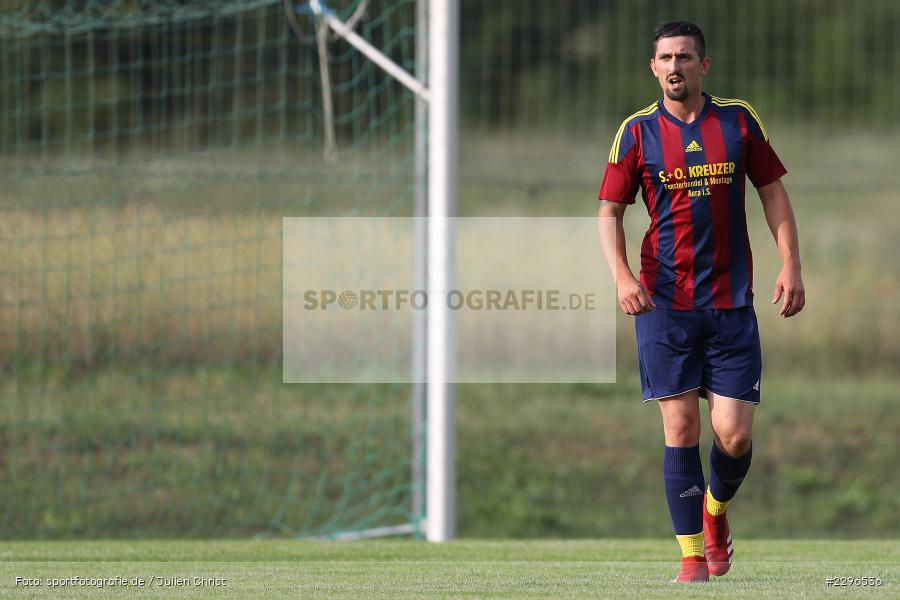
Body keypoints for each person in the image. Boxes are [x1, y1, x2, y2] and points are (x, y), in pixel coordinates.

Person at [597, 21, 805, 583]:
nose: (674, 66)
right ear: (652, 67)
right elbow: (609, 213)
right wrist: (621, 277)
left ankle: (715, 514)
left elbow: (772, 191)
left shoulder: (737, 121)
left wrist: (791, 262)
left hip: (731, 302)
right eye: (665, 57)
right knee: (681, 425)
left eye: (684, 57)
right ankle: (692, 557)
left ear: (703, 65)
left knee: (734, 435)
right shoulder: (636, 133)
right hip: (664, 303)